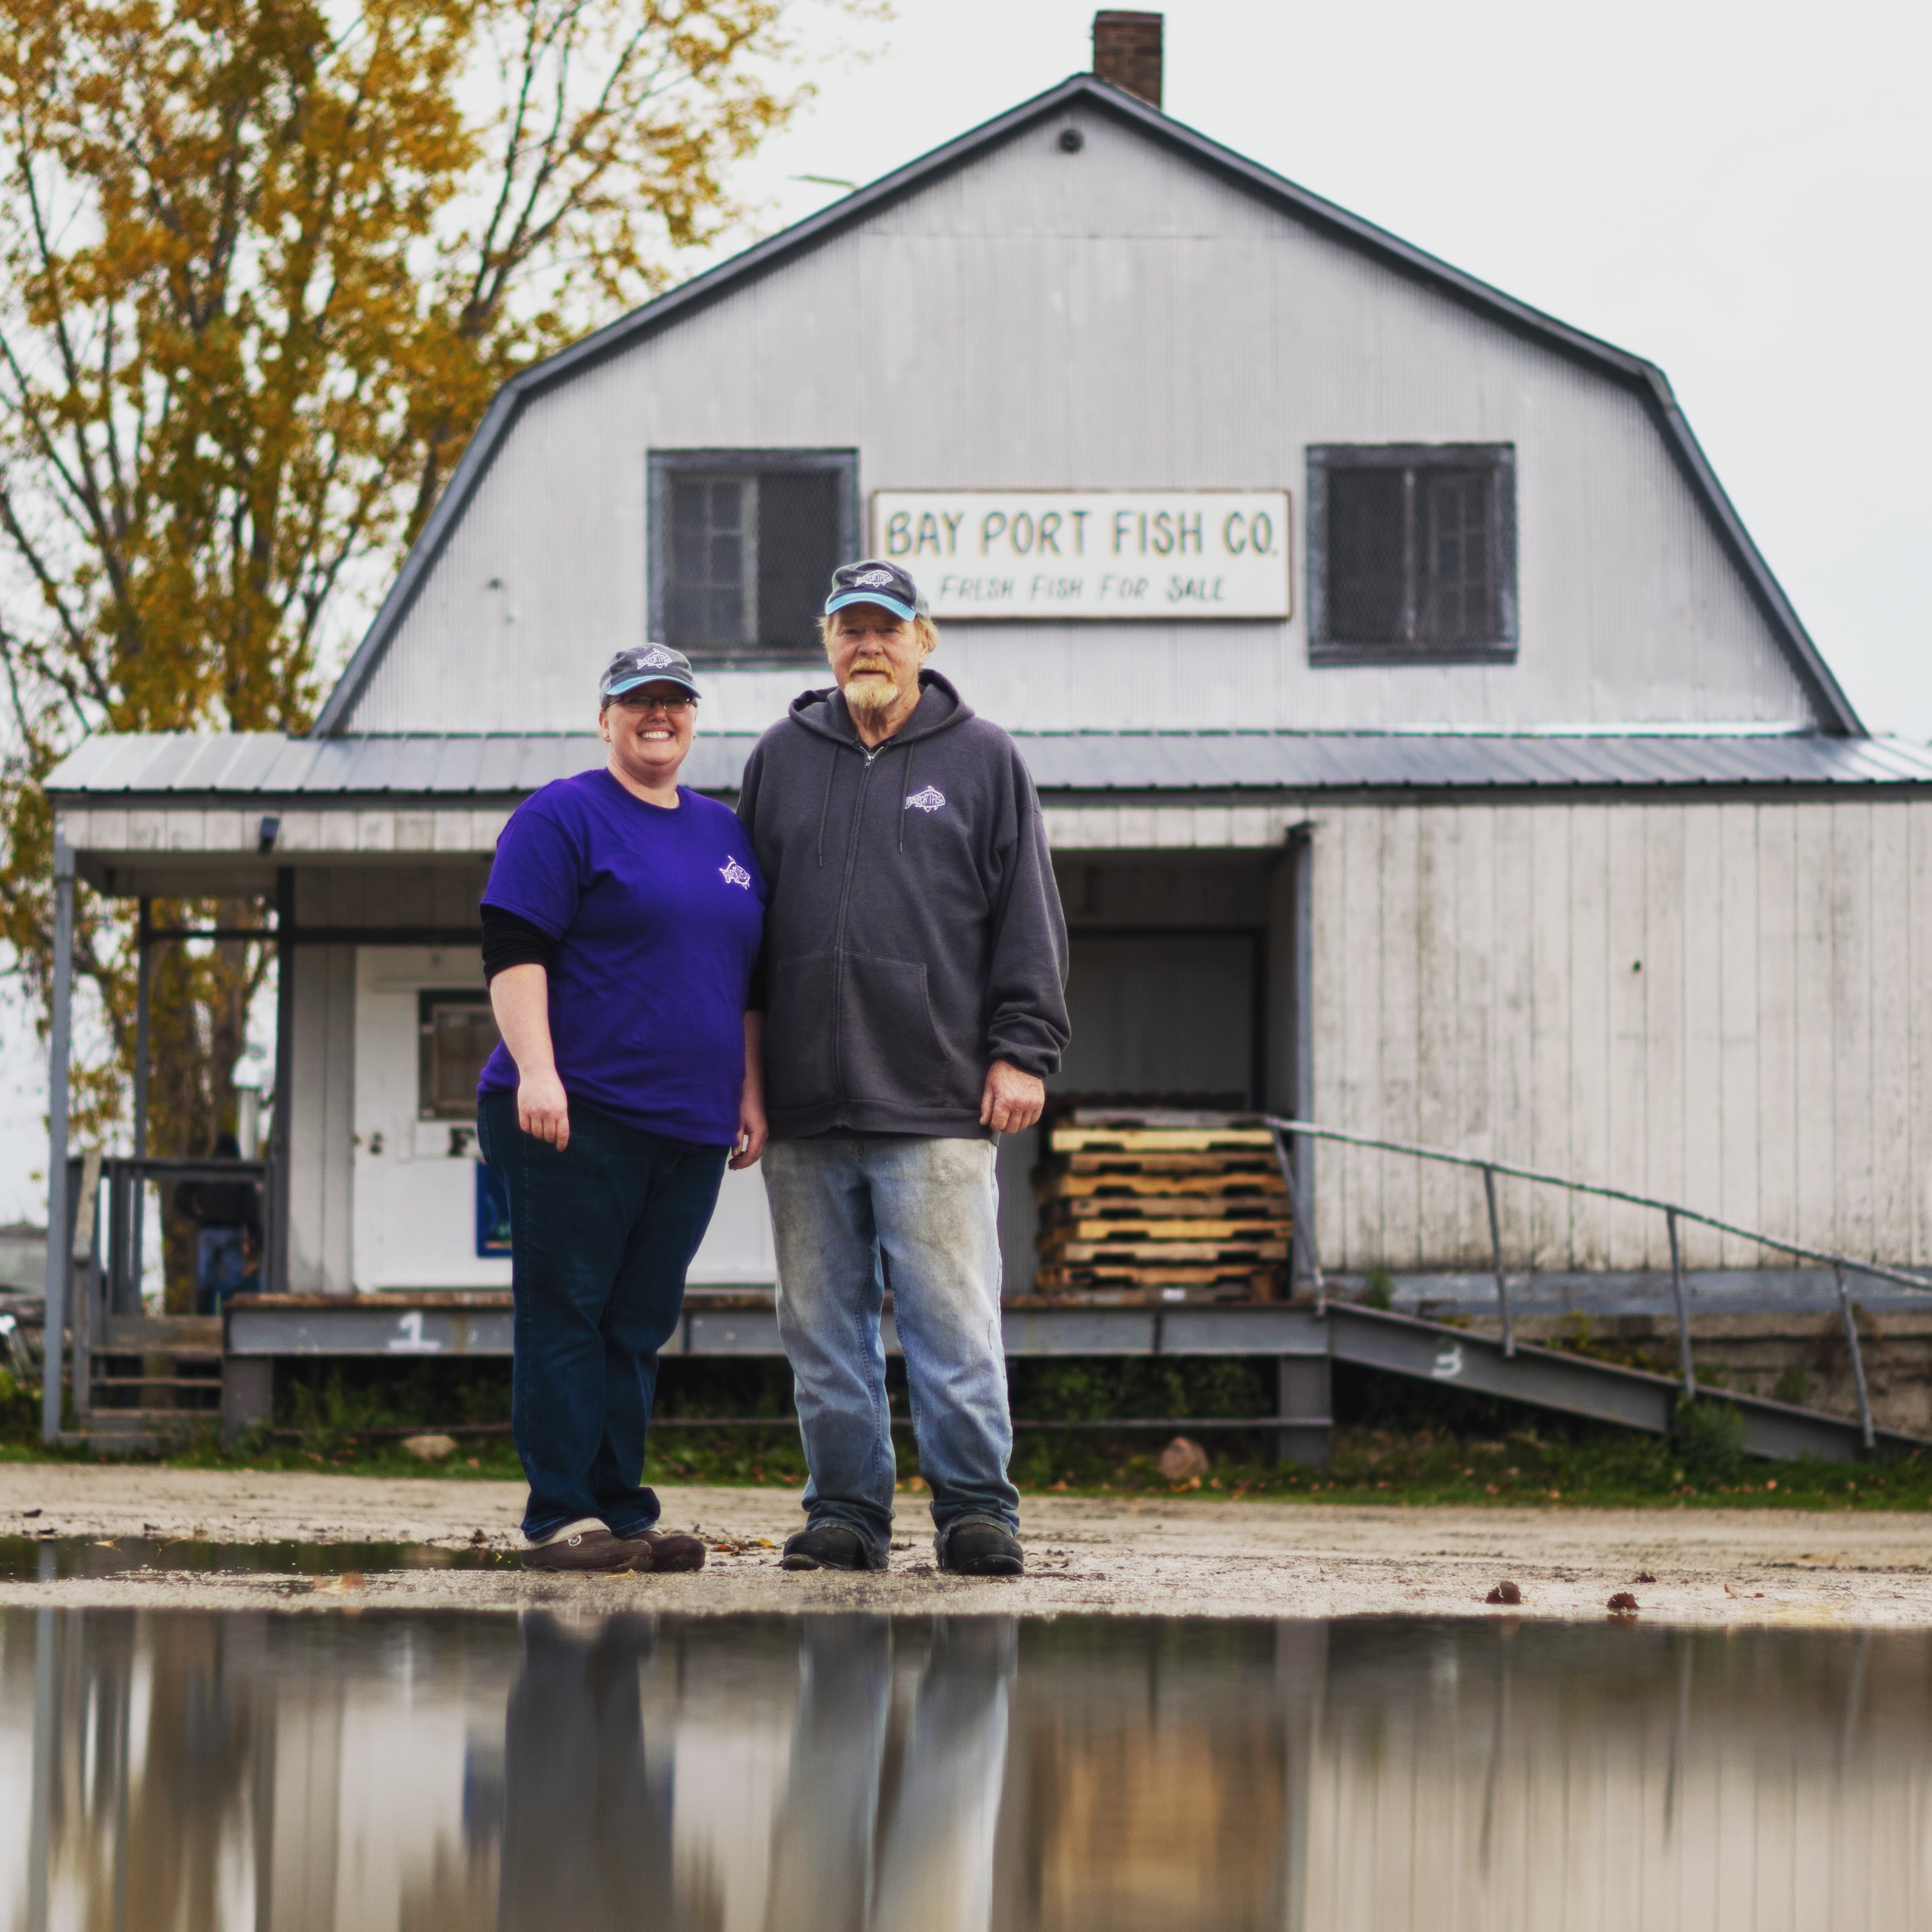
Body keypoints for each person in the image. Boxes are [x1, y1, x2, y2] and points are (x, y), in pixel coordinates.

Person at [737, 561, 1070, 1578]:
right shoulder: (778, 760)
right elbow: (739, 934)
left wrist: (1024, 1050)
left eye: (887, 628)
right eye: (851, 629)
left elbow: (1028, 918)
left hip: (935, 1101)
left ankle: (977, 1512)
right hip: (803, 1111)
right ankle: (844, 1512)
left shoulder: (982, 759)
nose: (868, 645)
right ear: (826, 642)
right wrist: (742, 1080)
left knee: (953, 1323)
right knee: (821, 1331)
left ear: (924, 639)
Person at [477, 643, 768, 1573]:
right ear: (604, 717)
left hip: (689, 1124)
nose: (658, 715)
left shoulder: (726, 835)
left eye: (674, 701)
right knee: (567, 1307)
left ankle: (621, 1508)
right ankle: (560, 1514)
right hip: (575, 1109)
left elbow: (748, 981)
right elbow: (512, 948)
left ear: (693, 717)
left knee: (637, 1321)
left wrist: (750, 1090)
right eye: (637, 700)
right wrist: (538, 1070)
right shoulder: (561, 817)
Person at [173, 1132, 261, 1314]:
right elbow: (250, 1207)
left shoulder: (206, 1168)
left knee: (206, 1279)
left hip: (209, 1229)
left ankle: (202, 1320)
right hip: (232, 1229)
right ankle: (233, 1320)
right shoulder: (240, 1170)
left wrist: (194, 1212)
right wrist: (254, 1234)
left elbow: (180, 1194)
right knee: (234, 1279)